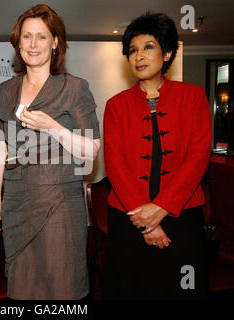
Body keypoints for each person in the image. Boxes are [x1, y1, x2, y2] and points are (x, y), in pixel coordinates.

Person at [0, 4, 101, 300]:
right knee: (22, 287)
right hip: (15, 200)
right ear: (18, 43)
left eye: (41, 36)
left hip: (59, 202)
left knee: (61, 286)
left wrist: (53, 127)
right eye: (26, 37)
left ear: (55, 43)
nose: (33, 44)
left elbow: (91, 150)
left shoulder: (74, 88)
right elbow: (0, 145)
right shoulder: (5, 90)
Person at [103, 12, 212, 299]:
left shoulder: (194, 97)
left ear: (166, 53)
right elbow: (115, 165)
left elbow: (198, 157)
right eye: (133, 51)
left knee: (181, 287)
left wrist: (162, 208)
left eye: (148, 47)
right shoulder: (115, 105)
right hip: (128, 216)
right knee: (132, 288)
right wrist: (144, 221)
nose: (139, 56)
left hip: (182, 214)